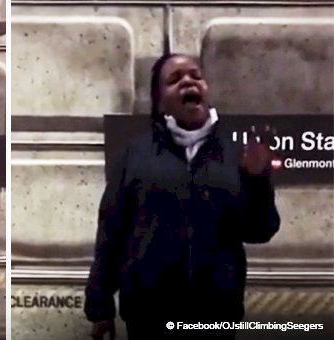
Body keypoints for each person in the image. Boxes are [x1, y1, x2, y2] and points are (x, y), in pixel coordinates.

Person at [84, 54, 280, 339]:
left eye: (195, 75)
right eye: (174, 80)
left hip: (215, 317)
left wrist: (257, 181)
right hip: (148, 317)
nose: (188, 81)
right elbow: (111, 233)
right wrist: (99, 307)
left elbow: (260, 231)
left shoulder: (234, 156)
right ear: (160, 99)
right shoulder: (134, 155)